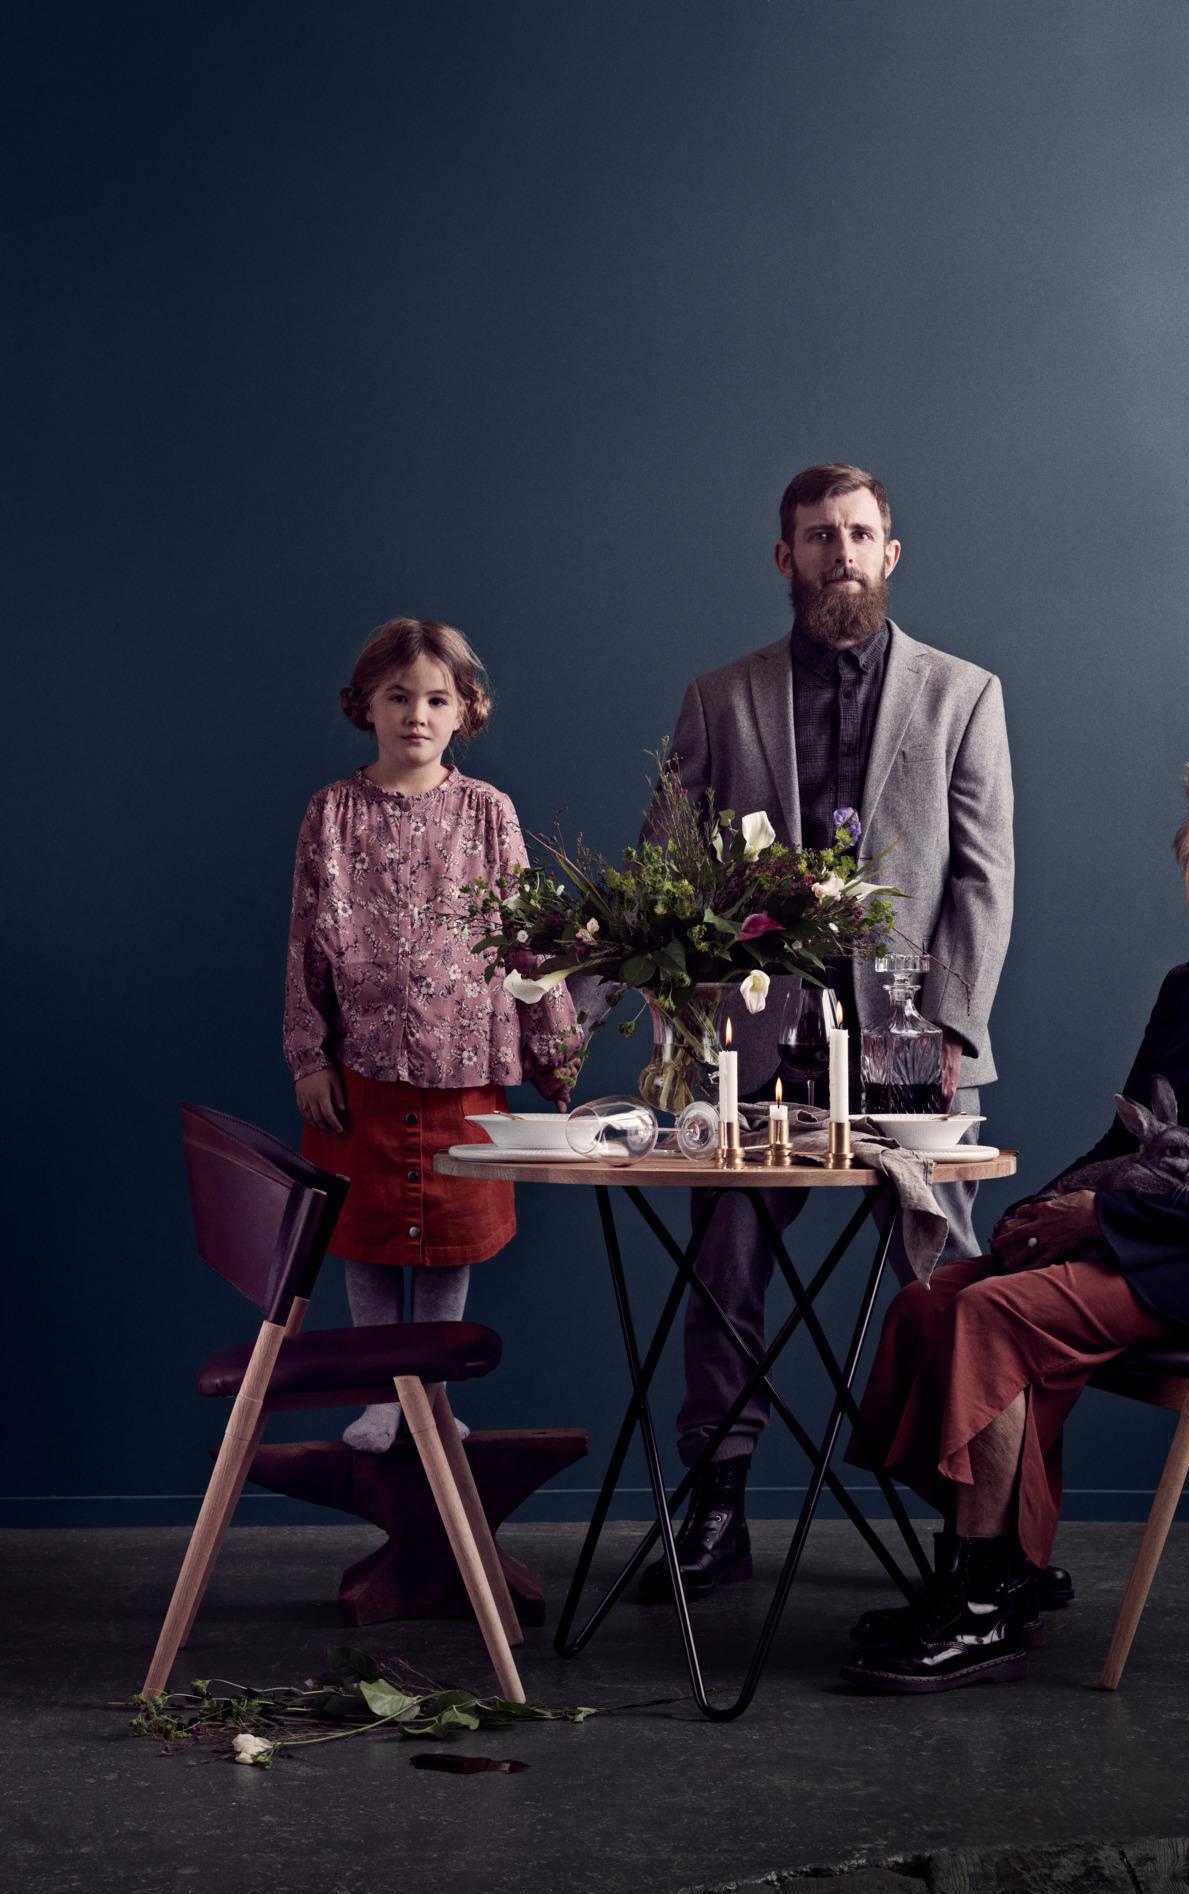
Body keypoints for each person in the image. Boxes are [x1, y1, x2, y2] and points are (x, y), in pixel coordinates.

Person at [840, 744, 1189, 1692]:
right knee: (938, 1298)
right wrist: (1045, 1210)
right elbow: (1121, 1135)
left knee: (994, 1317)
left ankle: (977, 1608)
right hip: (1151, 1247)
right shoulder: (1185, 989)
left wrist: (1097, 1221)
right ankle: (1007, 1571)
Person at [640, 463, 1015, 1600]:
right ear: (784, 556)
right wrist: (693, 1017)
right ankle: (715, 1501)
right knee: (725, 1258)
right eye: (817, 535)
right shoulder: (720, 696)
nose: (839, 551)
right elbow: (666, 861)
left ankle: (972, 1521)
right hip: (757, 1041)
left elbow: (984, 884)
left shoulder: (964, 694)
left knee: (946, 1260)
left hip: (912, 1034)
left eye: (859, 533)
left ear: (890, 552)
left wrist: (950, 1025)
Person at [284, 618, 580, 1452]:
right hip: (362, 1069)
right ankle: (382, 1396)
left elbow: (529, 936)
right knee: (369, 1233)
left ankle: (433, 1395)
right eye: (399, 696)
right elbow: (305, 939)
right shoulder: (331, 813)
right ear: (366, 707)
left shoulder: (489, 813)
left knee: (451, 1233)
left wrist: (557, 1060)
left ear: (465, 712)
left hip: (465, 1066)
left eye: (437, 699)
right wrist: (309, 1056)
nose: (417, 713)